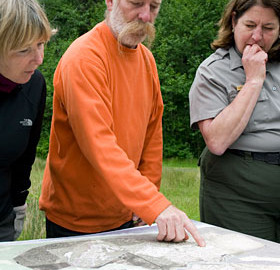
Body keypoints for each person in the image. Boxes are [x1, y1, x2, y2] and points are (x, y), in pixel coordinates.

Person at [39, 0, 205, 246]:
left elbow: (151, 137)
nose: (146, 16)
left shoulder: (147, 61)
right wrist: (154, 204)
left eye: (154, 7)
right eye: (136, 3)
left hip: (128, 215)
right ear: (110, 1)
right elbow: (99, 145)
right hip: (75, 222)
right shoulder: (84, 58)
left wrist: (144, 203)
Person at [189, 0, 280, 242]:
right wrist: (253, 80)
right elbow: (217, 141)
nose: (257, 37)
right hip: (238, 192)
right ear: (233, 21)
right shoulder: (212, 71)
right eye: (250, 25)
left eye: (269, 28)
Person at [0, 0, 52, 241]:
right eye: (24, 50)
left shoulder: (34, 84)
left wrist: (19, 206)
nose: (39, 58)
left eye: (41, 44)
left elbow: (25, 156)